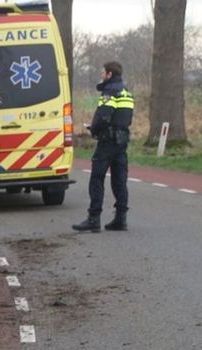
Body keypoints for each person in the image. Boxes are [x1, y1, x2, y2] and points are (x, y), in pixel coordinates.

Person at [73, 61, 135, 232]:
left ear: (109, 74)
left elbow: (103, 116)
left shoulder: (110, 92)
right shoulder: (126, 92)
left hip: (107, 141)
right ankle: (121, 219)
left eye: (103, 72)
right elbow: (127, 119)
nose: (101, 75)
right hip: (122, 141)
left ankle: (94, 218)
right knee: (119, 180)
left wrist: (93, 129)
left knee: (97, 178)